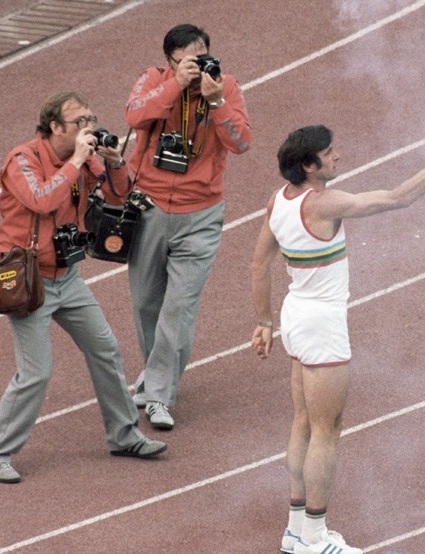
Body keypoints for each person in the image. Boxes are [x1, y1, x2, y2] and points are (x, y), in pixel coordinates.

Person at [251, 125, 425, 554]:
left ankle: (296, 530)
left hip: (296, 315)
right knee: (326, 430)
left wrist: (263, 321)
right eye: (329, 153)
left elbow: (260, 263)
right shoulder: (325, 203)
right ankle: (314, 536)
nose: (337, 157)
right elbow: (398, 198)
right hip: (322, 324)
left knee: (303, 422)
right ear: (309, 165)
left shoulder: (279, 200)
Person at [0, 91, 167, 485]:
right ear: (54, 127)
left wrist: (114, 163)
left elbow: (119, 194)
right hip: (28, 282)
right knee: (36, 372)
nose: (88, 127)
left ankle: (124, 435)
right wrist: (76, 162)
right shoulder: (22, 159)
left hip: (67, 276)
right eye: (79, 121)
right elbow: (41, 200)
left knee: (105, 348)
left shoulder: (85, 157)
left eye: (90, 119)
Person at [125, 23, 252, 430]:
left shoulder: (225, 87)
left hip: (200, 214)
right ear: (170, 62)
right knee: (147, 305)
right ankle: (156, 375)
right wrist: (175, 86)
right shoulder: (153, 80)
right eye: (186, 63)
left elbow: (241, 142)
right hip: (148, 208)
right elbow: (135, 115)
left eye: (201, 58)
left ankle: (159, 395)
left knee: (178, 309)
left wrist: (216, 103)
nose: (196, 69)